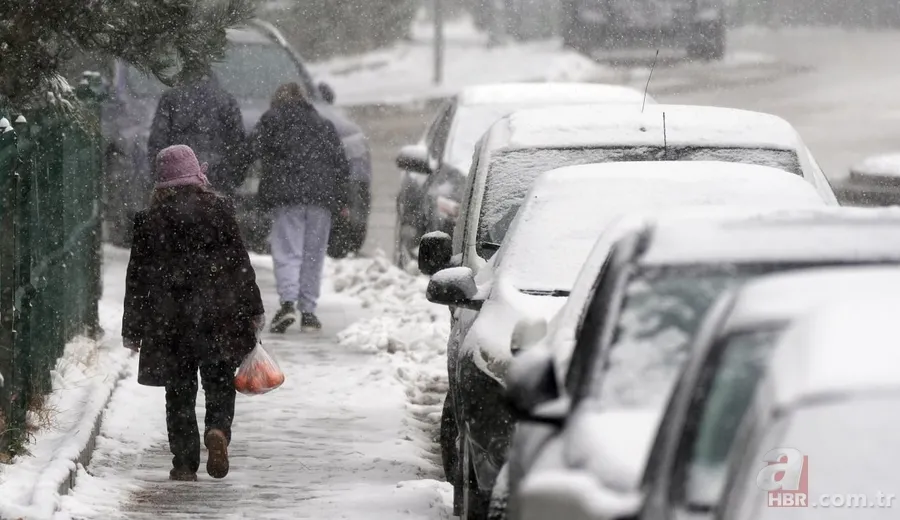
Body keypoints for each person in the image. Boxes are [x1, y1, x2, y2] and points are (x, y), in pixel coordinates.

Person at [122, 145, 265, 482]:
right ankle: (217, 429)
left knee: (179, 391)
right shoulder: (219, 211)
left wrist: (133, 326)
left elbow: (137, 278)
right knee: (218, 382)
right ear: (196, 175)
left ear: (161, 180)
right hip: (219, 315)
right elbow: (240, 265)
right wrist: (253, 308)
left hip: (170, 320)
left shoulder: (149, 221)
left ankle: (184, 462)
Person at [248, 82, 351, 333]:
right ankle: (309, 312)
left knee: (287, 251)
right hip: (321, 199)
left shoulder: (272, 119)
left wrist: (233, 176)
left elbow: (250, 150)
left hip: (287, 197)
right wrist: (343, 200)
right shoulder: (323, 124)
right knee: (313, 255)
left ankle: (287, 304)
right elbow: (341, 165)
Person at [147, 61, 247, 194]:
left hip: (179, 177)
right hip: (218, 175)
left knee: (180, 213)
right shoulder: (226, 100)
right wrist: (234, 176)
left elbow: (158, 141)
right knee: (215, 212)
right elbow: (238, 142)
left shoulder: (171, 98)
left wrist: (159, 176)